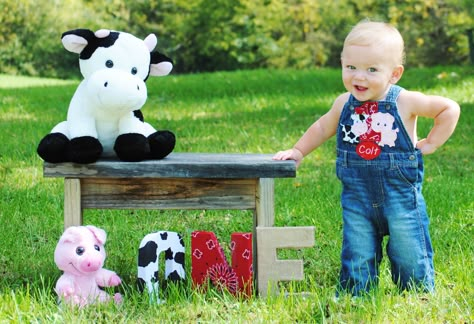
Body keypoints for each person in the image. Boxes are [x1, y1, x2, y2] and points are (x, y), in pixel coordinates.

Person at [273, 20, 460, 296]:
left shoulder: (404, 101)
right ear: (342, 64)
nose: (359, 77)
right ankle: (355, 293)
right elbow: (323, 127)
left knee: (409, 248)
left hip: (400, 199)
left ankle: (416, 292)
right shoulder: (343, 103)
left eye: (372, 70)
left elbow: (448, 108)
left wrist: (432, 142)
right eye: (351, 68)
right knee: (357, 247)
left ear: (394, 74)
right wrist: (298, 151)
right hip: (358, 198)